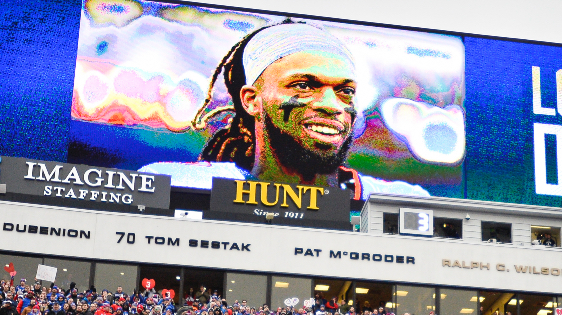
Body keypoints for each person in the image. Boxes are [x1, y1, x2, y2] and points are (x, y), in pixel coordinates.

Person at [141, 21, 429, 197]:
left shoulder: (399, 200)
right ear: (252, 101)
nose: (331, 105)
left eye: (346, 91)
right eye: (304, 85)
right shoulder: (177, 184)